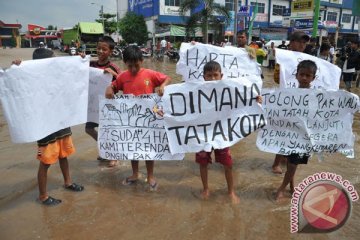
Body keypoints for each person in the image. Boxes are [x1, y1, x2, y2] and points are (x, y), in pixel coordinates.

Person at [12, 48, 84, 206]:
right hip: (45, 126)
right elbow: (17, 85)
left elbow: (73, 75)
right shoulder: (32, 78)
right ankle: (43, 196)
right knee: (45, 161)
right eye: (53, 60)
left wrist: (80, 61)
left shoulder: (57, 76)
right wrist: (17, 68)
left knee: (63, 155)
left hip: (61, 122)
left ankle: (68, 182)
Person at [105, 45, 171, 191]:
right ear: (125, 64)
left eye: (136, 65)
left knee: (149, 147)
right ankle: (135, 174)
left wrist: (163, 86)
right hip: (130, 118)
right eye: (130, 66)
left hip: (149, 117)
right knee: (133, 146)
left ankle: (150, 175)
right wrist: (109, 89)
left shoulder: (150, 74)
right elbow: (114, 87)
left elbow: (167, 78)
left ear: (142, 61)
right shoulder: (122, 76)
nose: (133, 69)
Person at [275, 60, 317, 201]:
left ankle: (282, 188)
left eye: (308, 75)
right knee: (290, 163)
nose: (304, 78)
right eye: (302, 74)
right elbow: (278, 108)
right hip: (290, 134)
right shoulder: (290, 94)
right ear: (296, 75)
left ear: (313, 78)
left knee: (293, 164)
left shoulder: (317, 96)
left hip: (305, 137)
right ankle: (292, 187)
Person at [272, 31, 310, 174]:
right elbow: (276, 79)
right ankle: (276, 163)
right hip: (287, 101)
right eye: (299, 41)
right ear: (291, 42)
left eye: (304, 42)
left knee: (296, 131)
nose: (302, 45)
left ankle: (287, 158)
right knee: (284, 131)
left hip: (301, 102)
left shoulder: (309, 59)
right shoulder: (283, 57)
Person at [86, 36, 121, 167]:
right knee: (89, 129)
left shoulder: (113, 67)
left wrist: (114, 74)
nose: (100, 51)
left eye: (104, 49)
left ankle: (114, 155)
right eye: (98, 48)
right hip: (93, 104)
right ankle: (105, 148)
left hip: (109, 104)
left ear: (111, 51)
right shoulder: (91, 64)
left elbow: (124, 81)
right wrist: (81, 59)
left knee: (109, 131)